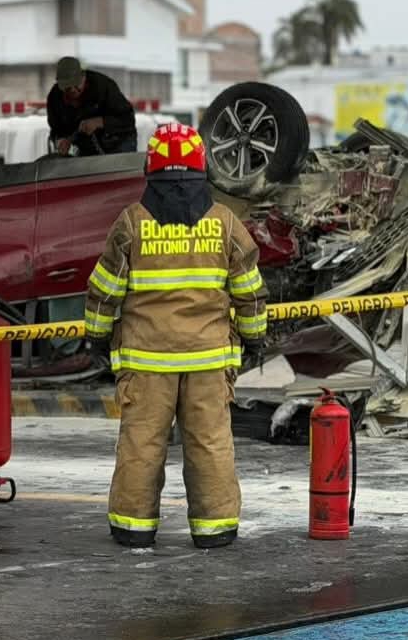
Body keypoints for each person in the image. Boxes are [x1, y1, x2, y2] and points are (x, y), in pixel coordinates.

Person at [84, 123, 268, 549]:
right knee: (210, 444)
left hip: (146, 363)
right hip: (208, 361)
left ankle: (132, 528)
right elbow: (250, 292)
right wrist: (255, 340)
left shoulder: (132, 222)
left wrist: (96, 338)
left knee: (141, 445)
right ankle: (214, 529)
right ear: (202, 168)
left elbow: (104, 290)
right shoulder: (225, 224)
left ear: (150, 169)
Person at [47, 56, 137, 156]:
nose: (72, 90)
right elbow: (56, 128)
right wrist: (60, 141)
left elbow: (128, 119)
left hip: (119, 142)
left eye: (76, 84)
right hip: (87, 149)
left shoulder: (104, 86)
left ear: (83, 76)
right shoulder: (54, 97)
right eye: (67, 87)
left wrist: (100, 122)